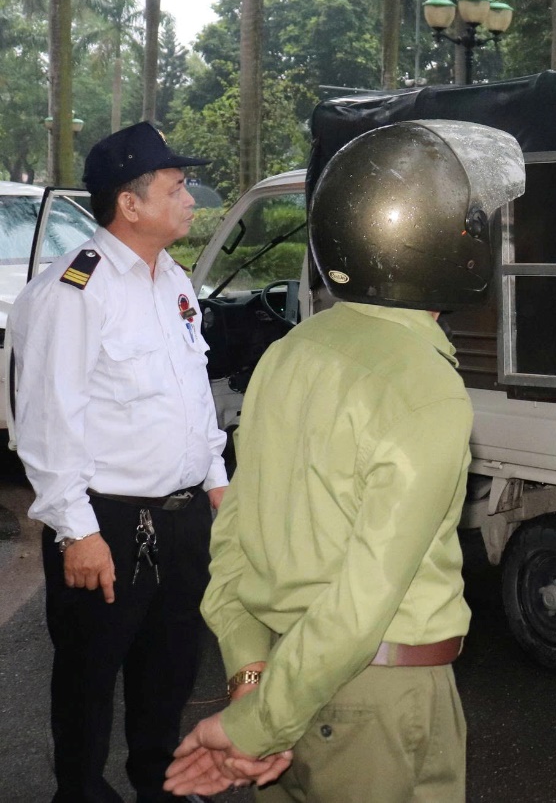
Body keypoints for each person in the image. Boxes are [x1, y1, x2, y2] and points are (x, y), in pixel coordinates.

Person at [163, 120, 527, 800]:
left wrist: (255, 691)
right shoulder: (425, 388)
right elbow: (363, 603)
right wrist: (259, 725)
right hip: (377, 703)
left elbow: (234, 545)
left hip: (278, 671)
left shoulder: (287, 353)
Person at [10, 122, 230, 802]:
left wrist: (217, 485)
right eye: (175, 186)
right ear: (129, 205)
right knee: (88, 676)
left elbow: (193, 395)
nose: (191, 197)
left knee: (168, 669)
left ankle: (157, 784)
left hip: (182, 515)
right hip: (106, 520)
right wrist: (77, 532)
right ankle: (78, 790)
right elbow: (46, 421)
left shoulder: (173, 280)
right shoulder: (74, 290)